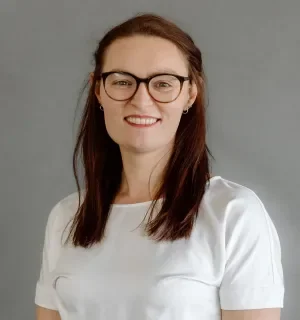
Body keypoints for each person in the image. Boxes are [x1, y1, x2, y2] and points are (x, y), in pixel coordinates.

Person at [35, 13, 284, 320]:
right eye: (123, 82)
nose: (141, 100)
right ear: (98, 90)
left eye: (163, 84)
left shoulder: (233, 214)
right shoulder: (67, 216)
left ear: (190, 94)